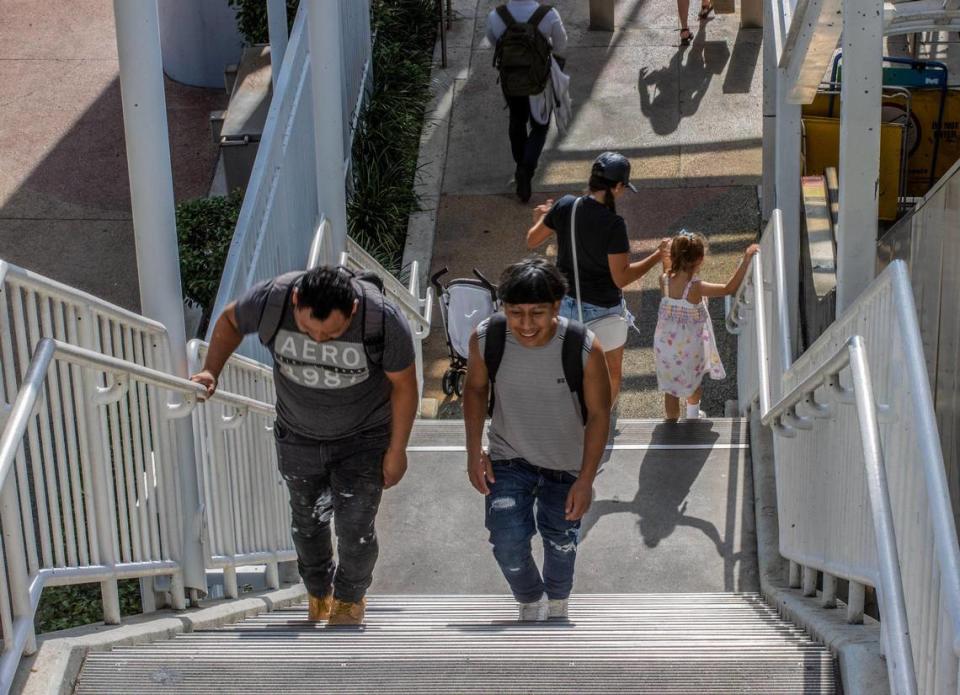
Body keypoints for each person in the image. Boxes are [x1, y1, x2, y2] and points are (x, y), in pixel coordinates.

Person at [191, 266, 418, 625]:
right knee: (307, 523)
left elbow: (405, 386)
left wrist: (397, 449)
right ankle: (318, 592)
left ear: (353, 311)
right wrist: (210, 371)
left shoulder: (382, 321)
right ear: (296, 301)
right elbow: (231, 321)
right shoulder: (273, 300)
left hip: (363, 438)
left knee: (355, 528)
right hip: (298, 436)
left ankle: (349, 599)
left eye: (332, 333)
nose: (320, 341)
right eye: (310, 331)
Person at [463, 258, 611, 621]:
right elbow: (475, 390)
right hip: (508, 458)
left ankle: (558, 601)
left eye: (537, 313)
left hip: (566, 467)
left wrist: (587, 479)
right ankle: (529, 599)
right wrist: (473, 453)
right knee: (506, 540)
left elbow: (599, 415)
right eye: (516, 313)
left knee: (561, 542)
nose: (526, 325)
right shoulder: (487, 338)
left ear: (557, 307)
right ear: (503, 309)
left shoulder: (583, 347)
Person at [526, 151, 669, 405]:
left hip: (567, 305)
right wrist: (656, 257)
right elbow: (621, 278)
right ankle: (600, 423)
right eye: (623, 187)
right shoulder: (613, 225)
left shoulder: (566, 205)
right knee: (610, 373)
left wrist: (541, 217)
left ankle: (570, 417)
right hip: (604, 311)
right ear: (616, 187)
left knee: (570, 369)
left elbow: (532, 240)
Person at [654, 231, 759, 420]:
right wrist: (746, 259)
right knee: (692, 384)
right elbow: (729, 288)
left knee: (671, 389)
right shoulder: (695, 287)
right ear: (700, 259)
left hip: (665, 344)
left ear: (673, 256)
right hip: (688, 347)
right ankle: (693, 416)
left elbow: (668, 270)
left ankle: (670, 426)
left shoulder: (664, 281)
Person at [487, 1, 568, 202]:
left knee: (516, 119)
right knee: (540, 126)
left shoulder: (497, 16)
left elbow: (492, 41)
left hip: (511, 82)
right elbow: (561, 44)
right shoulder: (548, 15)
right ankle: (526, 168)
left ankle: (519, 164)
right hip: (539, 82)